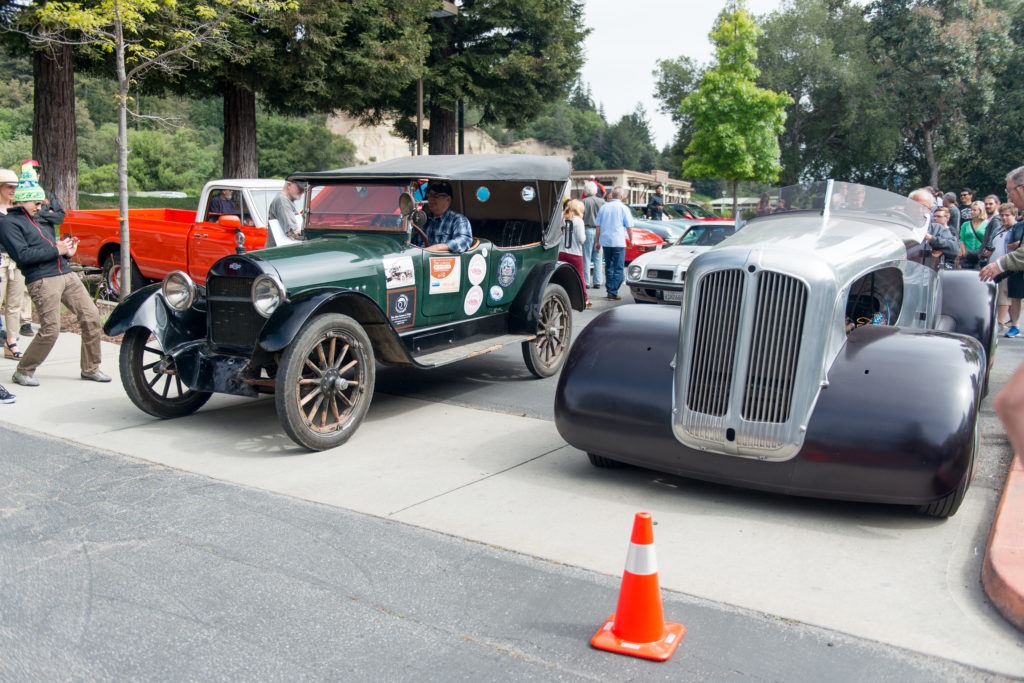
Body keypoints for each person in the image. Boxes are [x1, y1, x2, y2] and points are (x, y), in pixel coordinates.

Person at [0, 162, 109, 386]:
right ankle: (24, 370)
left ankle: (91, 368)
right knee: (50, 330)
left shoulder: (37, 220)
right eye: (37, 203)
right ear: (23, 200)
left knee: (91, 316)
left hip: (64, 273)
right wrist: (55, 249)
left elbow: (49, 248)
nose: (40, 207)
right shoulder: (9, 224)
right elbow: (23, 255)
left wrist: (66, 251)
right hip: (42, 279)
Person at [980, 202, 1023, 336]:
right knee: (1002, 295)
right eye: (1002, 215)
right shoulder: (998, 229)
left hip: (1009, 267)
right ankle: (1010, 323)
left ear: (1014, 215)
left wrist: (1016, 246)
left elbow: (1018, 248)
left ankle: (1000, 323)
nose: (1004, 218)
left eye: (1007, 215)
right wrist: (987, 252)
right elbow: (992, 244)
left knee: (1005, 296)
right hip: (995, 265)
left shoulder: (1017, 228)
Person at [0, 168, 27, 360]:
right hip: (0, 261)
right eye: (9, 186)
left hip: (16, 262)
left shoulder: (17, 211)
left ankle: (11, 342)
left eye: (14, 187)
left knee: (14, 304)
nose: (12, 190)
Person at [411, 180, 473, 254]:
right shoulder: (422, 219)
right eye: (429, 195)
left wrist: (437, 248)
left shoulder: (458, 220)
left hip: (442, 264)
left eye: (436, 196)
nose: (430, 199)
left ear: (448, 200)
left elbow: (464, 241)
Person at [595, 185, 634, 301]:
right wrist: (631, 240)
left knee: (608, 267)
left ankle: (610, 291)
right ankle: (613, 291)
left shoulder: (604, 207)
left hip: (606, 241)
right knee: (619, 269)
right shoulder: (623, 208)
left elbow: (598, 226)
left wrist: (597, 242)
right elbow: (629, 227)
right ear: (621, 196)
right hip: (618, 242)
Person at [909, 187, 958, 268]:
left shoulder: (937, 229)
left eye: (924, 207)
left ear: (930, 210)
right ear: (908, 206)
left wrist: (931, 239)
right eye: (916, 205)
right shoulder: (899, 226)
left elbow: (955, 249)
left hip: (927, 274)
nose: (920, 210)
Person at [559, 198, 590, 309]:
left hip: (561, 252)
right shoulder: (578, 221)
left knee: (562, 275)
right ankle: (584, 299)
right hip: (575, 254)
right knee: (580, 276)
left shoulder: (563, 218)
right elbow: (581, 239)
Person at [267, 178, 306, 245]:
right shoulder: (282, 201)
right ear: (289, 185)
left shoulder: (287, 200)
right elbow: (292, 233)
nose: (302, 191)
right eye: (300, 188)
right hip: (279, 253)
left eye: (304, 189)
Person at [581, 180, 604, 289]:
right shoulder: (602, 202)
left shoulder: (583, 202)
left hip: (587, 229)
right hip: (600, 230)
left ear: (586, 190)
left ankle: (586, 282)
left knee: (586, 257)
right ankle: (597, 281)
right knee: (598, 257)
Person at [959, 200, 988, 270]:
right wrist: (964, 252)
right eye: (971, 210)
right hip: (967, 254)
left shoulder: (987, 224)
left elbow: (988, 240)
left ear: (980, 211)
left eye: (974, 210)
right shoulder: (965, 224)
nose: (971, 212)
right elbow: (961, 240)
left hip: (980, 254)